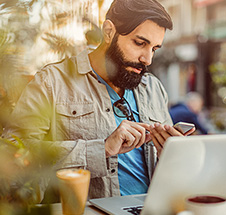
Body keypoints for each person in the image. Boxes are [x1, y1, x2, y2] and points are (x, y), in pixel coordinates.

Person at [2, 0, 195, 202]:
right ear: (109, 31)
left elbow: (169, 172)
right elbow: (13, 153)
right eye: (140, 43)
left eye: (154, 49)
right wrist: (101, 149)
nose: (148, 59)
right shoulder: (51, 82)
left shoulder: (153, 88)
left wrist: (173, 155)